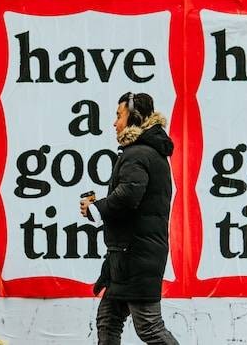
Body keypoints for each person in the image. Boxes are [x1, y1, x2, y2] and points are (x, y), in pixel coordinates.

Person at [80, 92, 179, 345]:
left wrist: (95, 209)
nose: (114, 123)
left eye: (118, 115)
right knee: (108, 319)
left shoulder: (137, 153)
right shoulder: (148, 152)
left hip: (136, 256)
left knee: (149, 327)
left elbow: (129, 195)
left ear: (134, 118)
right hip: (129, 255)